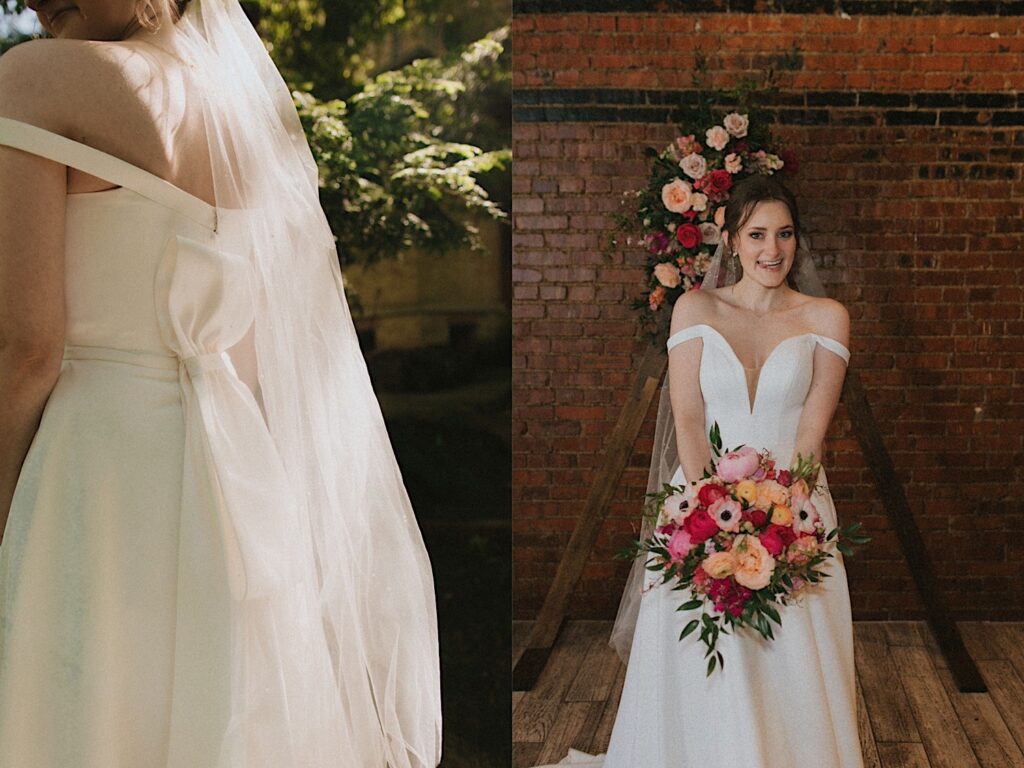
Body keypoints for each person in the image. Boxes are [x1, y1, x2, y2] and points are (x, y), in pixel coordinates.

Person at [0, 1, 441, 766]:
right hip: (231, 475)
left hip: (92, 469)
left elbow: (26, 347)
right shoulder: (242, 115)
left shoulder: (39, 77)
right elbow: (253, 350)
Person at [539, 175, 863, 767]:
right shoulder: (695, 306)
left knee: (792, 657)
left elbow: (812, 436)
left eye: (785, 234)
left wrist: (777, 516)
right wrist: (714, 514)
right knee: (709, 659)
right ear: (731, 240)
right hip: (701, 504)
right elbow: (688, 418)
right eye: (757, 234)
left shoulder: (827, 317)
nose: (773, 250)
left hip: (796, 507)